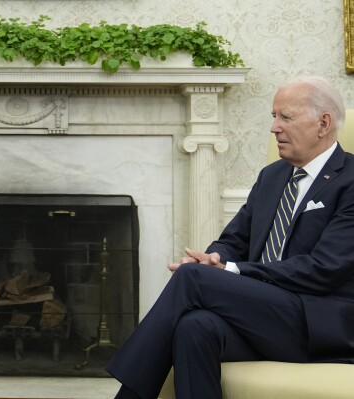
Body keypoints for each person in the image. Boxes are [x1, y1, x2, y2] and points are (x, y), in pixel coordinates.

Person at [106, 75, 354, 399]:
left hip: (318, 324)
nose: (274, 127)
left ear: (323, 123)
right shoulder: (273, 176)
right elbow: (234, 240)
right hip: (263, 314)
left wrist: (231, 272)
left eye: (286, 117)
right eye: (273, 116)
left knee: (193, 278)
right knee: (194, 326)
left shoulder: (349, 180)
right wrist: (216, 259)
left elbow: (324, 269)